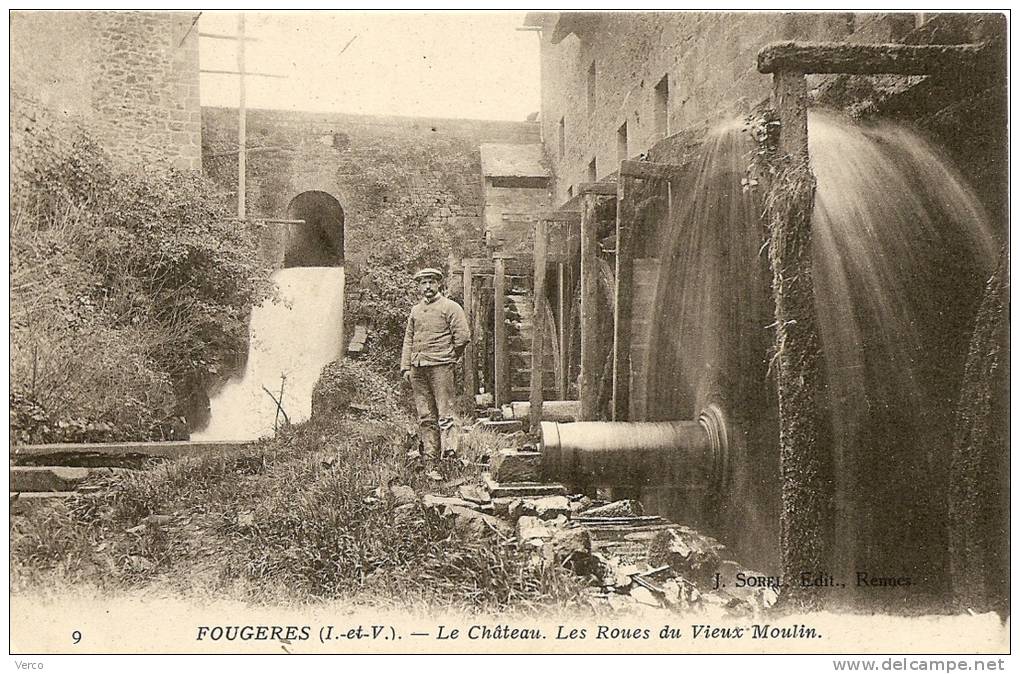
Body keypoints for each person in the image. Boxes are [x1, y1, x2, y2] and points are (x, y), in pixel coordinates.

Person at [400, 267, 470, 471]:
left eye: (431, 282)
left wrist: (448, 357)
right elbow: (408, 339)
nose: (428, 286)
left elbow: (463, 337)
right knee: (425, 415)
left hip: (440, 366)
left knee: (445, 413)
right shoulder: (415, 310)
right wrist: (406, 367)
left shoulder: (450, 307)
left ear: (439, 284)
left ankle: (450, 455)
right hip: (418, 369)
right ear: (419, 286)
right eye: (423, 283)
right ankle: (430, 457)